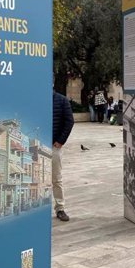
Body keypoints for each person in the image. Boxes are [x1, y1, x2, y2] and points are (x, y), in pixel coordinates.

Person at [52, 90, 75, 221]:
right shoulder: (36, 98)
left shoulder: (61, 100)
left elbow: (69, 121)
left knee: (56, 179)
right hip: (37, 144)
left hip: (53, 145)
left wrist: (60, 141)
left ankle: (60, 208)